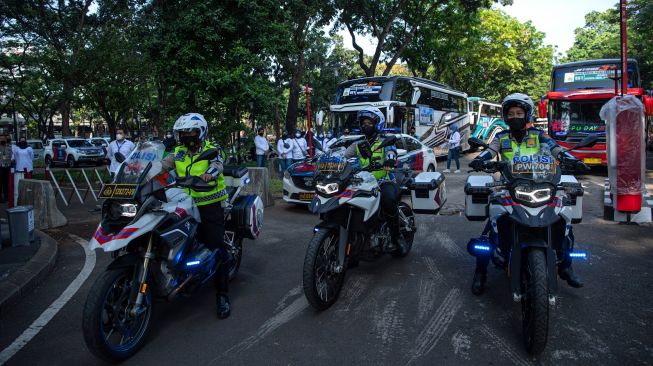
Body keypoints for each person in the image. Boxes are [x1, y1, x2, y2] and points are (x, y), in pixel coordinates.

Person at [468, 93, 583, 295]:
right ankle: (480, 272)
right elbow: (488, 152)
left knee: (563, 222)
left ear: (527, 115)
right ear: (505, 116)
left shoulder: (539, 136)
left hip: (541, 183)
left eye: (519, 113)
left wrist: (571, 158)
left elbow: (557, 150)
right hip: (507, 185)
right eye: (510, 114)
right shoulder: (501, 137)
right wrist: (480, 159)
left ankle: (566, 266)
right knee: (490, 229)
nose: (514, 117)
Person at [160, 113, 232, 318]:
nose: (185, 136)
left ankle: (222, 295)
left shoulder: (212, 149)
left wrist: (210, 172)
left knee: (217, 248)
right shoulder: (179, 152)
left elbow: (218, 164)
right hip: (183, 204)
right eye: (182, 132)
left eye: (189, 131)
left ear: (201, 132)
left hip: (209, 205)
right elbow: (163, 165)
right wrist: (141, 169)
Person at [344, 107, 407, 254]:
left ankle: (397, 238)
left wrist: (390, 160)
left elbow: (392, 152)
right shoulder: (357, 143)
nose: (366, 125)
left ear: (377, 124)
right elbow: (344, 155)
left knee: (389, 201)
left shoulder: (386, 141)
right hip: (362, 181)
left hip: (383, 180)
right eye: (363, 123)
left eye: (369, 122)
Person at [0, 135, 12, 203]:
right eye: (0, 138)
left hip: (7, 167)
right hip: (0, 167)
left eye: (3, 138)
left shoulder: (10, 147)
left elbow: (12, 156)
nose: (2, 139)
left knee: (6, 183)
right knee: (0, 183)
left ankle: (6, 197)